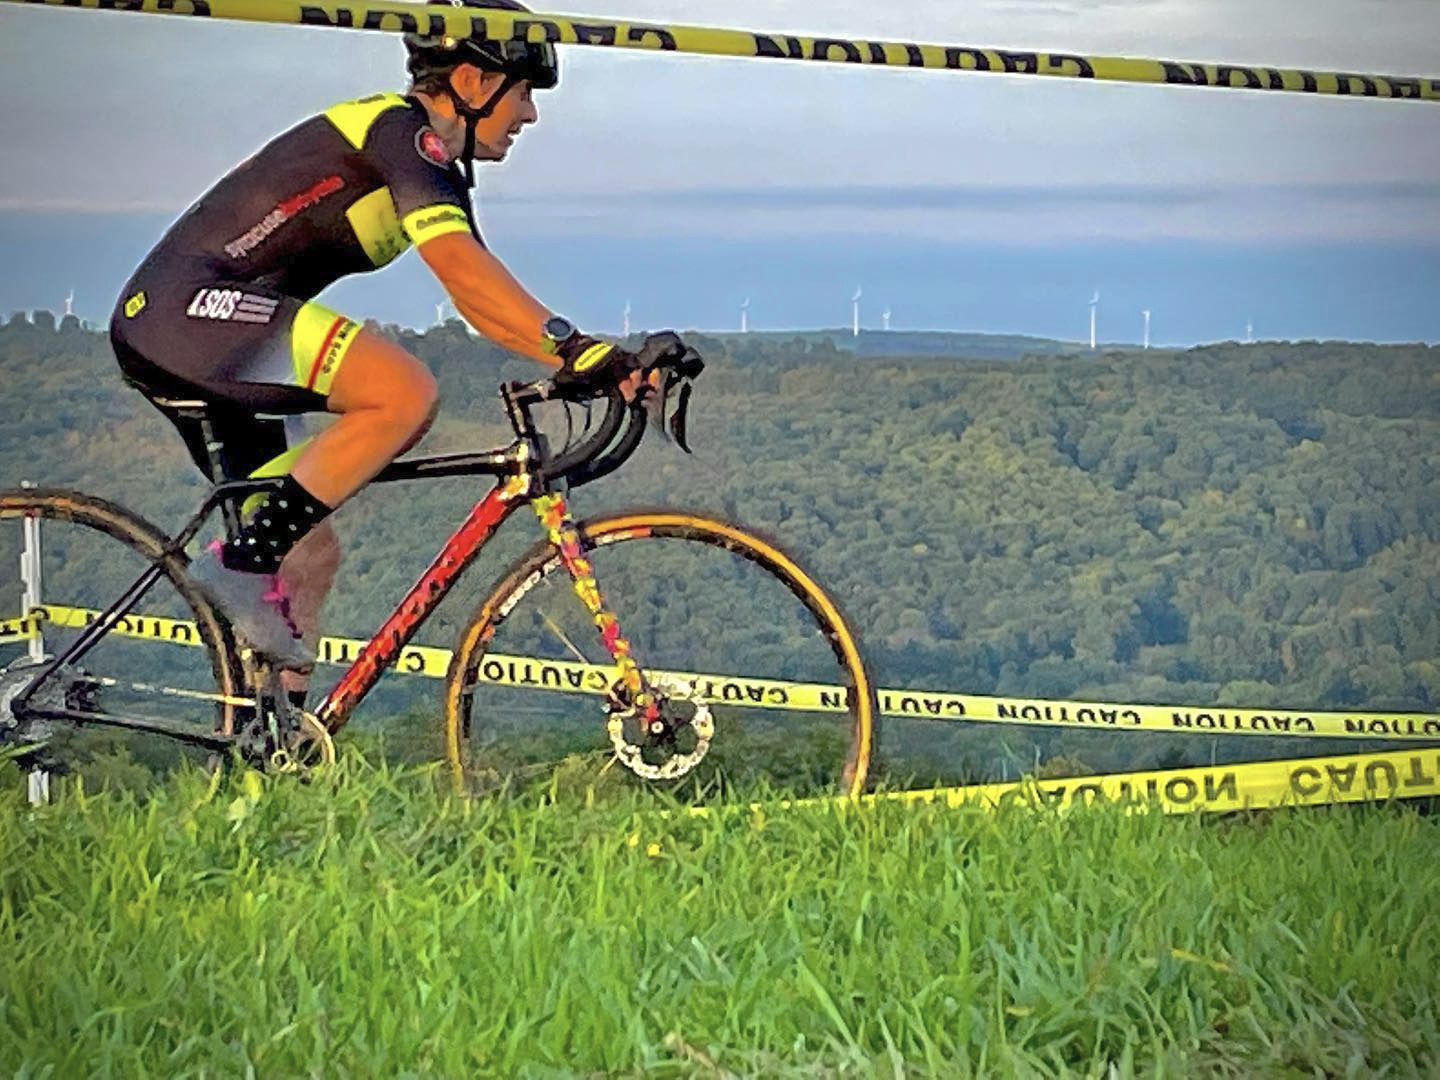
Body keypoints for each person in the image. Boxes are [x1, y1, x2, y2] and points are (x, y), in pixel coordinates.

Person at [108, 0, 667, 706]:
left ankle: (270, 739)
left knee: (307, 552)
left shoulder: (433, 164)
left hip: (205, 329)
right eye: (523, 93)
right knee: (401, 390)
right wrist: (572, 348)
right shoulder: (404, 137)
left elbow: (481, 293)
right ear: (471, 82)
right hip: (184, 313)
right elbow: (464, 275)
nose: (529, 116)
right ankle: (240, 563)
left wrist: (585, 359)